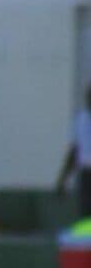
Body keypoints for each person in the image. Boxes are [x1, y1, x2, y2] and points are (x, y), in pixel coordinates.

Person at [56, 85, 91, 217]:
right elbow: (74, 152)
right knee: (86, 212)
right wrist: (63, 179)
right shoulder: (80, 119)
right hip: (86, 173)